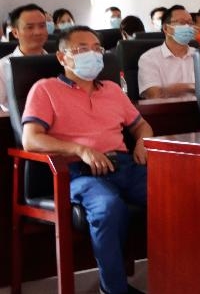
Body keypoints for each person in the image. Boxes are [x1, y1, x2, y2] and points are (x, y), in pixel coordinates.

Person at [21, 26, 152, 294]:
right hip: (78, 171)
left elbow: (141, 126)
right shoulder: (45, 89)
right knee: (108, 208)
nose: (92, 54)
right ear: (62, 57)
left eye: (96, 49)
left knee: (177, 193)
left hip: (124, 165)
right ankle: (113, 290)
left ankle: (177, 277)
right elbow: (31, 139)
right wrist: (80, 150)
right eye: (82, 49)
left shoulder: (112, 89)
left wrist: (141, 141)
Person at [137, 5, 196, 99]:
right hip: (167, 108)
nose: (188, 26)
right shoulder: (149, 58)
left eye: (190, 23)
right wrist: (192, 87)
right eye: (182, 23)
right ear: (165, 28)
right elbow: (154, 95)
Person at [0, 4, 49, 111]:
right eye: (30, 27)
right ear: (15, 32)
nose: (38, 32)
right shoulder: (3, 67)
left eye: (42, 26)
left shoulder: (60, 62)